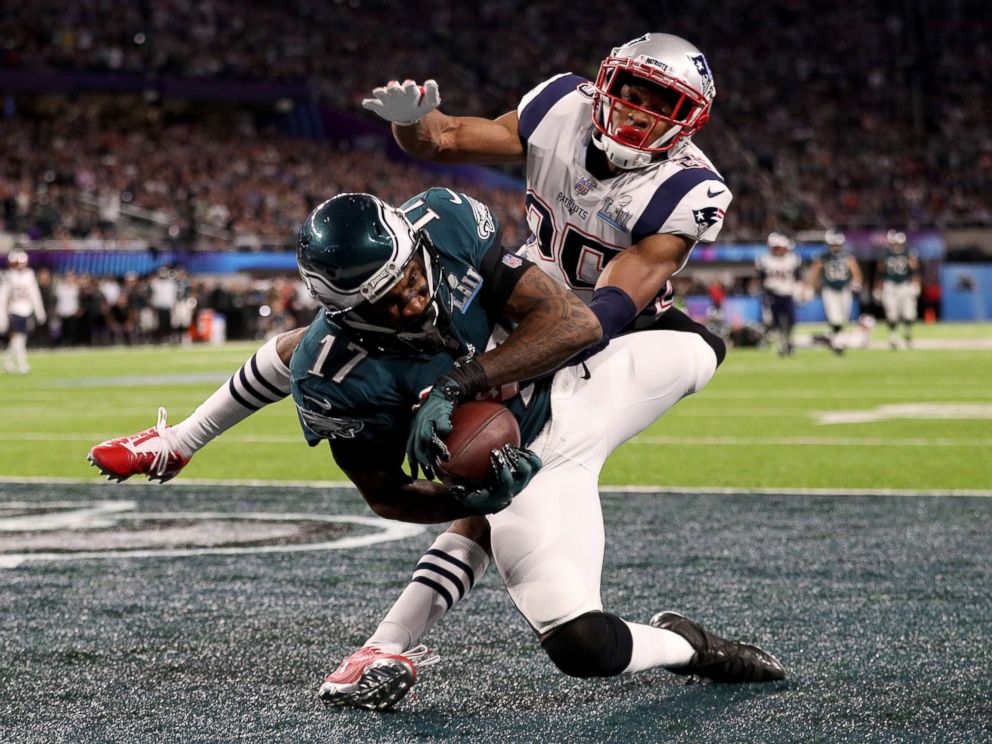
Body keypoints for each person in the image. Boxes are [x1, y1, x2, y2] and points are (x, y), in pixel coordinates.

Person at [88, 34, 779, 706]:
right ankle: (184, 450)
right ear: (605, 81)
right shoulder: (554, 111)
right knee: (572, 628)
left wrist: (468, 380)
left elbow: (590, 319)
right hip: (532, 306)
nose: (633, 110)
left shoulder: (688, 189)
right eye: (629, 90)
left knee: (513, 432)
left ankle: (384, 641)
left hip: (631, 332)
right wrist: (414, 127)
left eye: (658, 102)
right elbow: (444, 140)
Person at [806, 230, 863, 354]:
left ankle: (837, 338)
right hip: (829, 288)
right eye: (833, 244)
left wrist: (857, 280)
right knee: (834, 316)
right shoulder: (823, 256)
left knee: (844, 316)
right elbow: (815, 270)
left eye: (837, 244)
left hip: (844, 288)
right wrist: (810, 286)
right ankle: (838, 341)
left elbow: (854, 268)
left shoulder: (847, 255)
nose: (835, 247)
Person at [0, 250, 47, 374]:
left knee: (19, 339)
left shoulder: (29, 275)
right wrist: (2, 316)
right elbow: (3, 298)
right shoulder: (8, 276)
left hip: (27, 309)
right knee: (19, 338)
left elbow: (34, 294)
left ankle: (7, 361)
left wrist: (39, 311)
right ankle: (22, 364)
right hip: (14, 310)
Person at [755, 232, 802, 356]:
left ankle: (789, 343)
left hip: (788, 293)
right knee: (775, 323)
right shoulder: (765, 260)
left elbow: (798, 276)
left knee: (791, 322)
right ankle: (781, 345)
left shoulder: (793, 259)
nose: (780, 251)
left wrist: (799, 289)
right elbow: (761, 278)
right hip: (772, 293)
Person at [873, 230, 919, 350]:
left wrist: (916, 284)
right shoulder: (885, 255)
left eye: (898, 243)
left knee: (908, 312)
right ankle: (893, 337)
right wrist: (878, 288)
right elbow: (880, 272)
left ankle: (907, 332)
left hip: (905, 284)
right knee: (891, 312)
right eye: (894, 243)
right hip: (890, 285)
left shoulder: (908, 253)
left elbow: (914, 270)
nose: (896, 245)